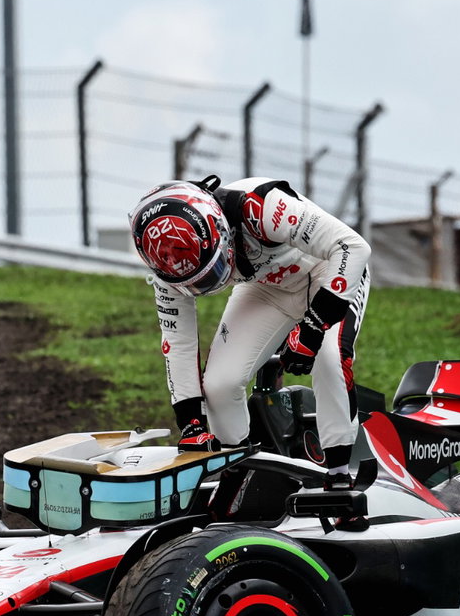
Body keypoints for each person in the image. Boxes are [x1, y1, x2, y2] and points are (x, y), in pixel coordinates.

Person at [129, 175, 370, 488]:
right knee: (219, 385)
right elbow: (178, 342)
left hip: (326, 271)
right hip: (266, 288)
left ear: (219, 228)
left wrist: (313, 326)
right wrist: (191, 425)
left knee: (328, 359)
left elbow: (352, 247)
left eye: (211, 272)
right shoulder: (170, 264)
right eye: (192, 283)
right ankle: (239, 474)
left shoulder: (260, 207)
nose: (200, 286)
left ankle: (341, 476)